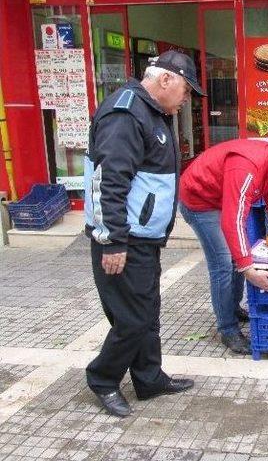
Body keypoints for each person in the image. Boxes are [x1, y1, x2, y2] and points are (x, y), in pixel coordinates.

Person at [83, 51, 205, 417]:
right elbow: (110, 181)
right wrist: (113, 239)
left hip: (144, 238)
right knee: (132, 319)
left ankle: (149, 379)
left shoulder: (151, 112)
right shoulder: (125, 114)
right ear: (165, 80)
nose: (186, 100)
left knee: (148, 313)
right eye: (185, 90)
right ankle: (103, 378)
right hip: (124, 240)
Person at [179, 132, 268, 354]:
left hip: (220, 197)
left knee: (237, 255)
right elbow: (233, 219)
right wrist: (248, 269)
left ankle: (232, 308)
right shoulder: (247, 167)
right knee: (223, 262)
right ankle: (228, 329)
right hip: (199, 201)